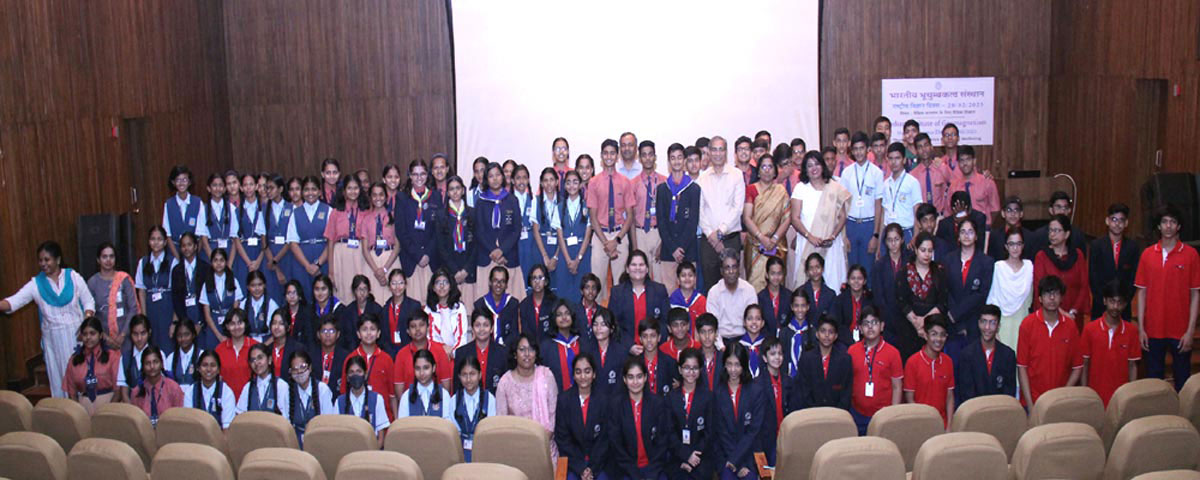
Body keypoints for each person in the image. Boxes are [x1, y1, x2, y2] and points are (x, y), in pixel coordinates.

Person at [1, 241, 96, 398]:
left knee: (81, 380)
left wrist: (86, 323)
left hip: (78, 339)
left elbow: (89, 302)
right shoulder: (36, 284)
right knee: (59, 384)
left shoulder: (73, 277)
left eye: (47, 259)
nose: (43, 264)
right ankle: (64, 418)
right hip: (53, 342)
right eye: (40, 260)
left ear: (58, 260)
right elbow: (13, 302)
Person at [1135, 205, 1200, 390]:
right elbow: (1142, 292)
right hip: (1153, 329)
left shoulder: (1191, 255)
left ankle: (1183, 418)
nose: (1168, 226)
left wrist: (1190, 331)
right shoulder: (1147, 254)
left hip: (1180, 331)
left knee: (1182, 382)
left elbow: (1195, 295)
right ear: (1158, 226)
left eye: (1173, 222)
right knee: (1153, 384)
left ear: (1179, 226)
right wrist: (1141, 328)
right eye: (1164, 222)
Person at [1017, 276, 1083, 406]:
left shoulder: (1070, 326)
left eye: (1056, 293)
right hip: (1033, 401)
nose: (1052, 298)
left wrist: (1063, 396)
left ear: (1062, 297)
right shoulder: (1027, 324)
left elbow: (1077, 367)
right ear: (1040, 298)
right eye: (1047, 293)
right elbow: (1022, 367)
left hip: (1061, 402)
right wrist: (1030, 406)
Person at [790, 150, 850, 290]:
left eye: (817, 164)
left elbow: (842, 216)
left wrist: (833, 236)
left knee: (833, 282)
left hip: (831, 244)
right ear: (805, 169)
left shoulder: (835, 187)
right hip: (808, 242)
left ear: (822, 165)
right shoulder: (800, 188)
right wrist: (810, 237)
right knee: (806, 287)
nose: (814, 168)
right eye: (809, 165)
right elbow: (795, 218)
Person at [495, 332, 559, 460]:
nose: (527, 354)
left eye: (531, 349)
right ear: (515, 354)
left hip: (545, 449)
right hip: (515, 450)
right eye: (522, 349)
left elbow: (552, 421)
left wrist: (536, 446)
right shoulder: (505, 382)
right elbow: (501, 424)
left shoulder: (546, 376)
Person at [587, 139, 636, 303]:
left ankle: (618, 322)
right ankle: (597, 322)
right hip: (600, 235)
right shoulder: (593, 183)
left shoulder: (625, 182)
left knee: (620, 284)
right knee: (596, 284)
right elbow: (593, 217)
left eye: (612, 153)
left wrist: (616, 240)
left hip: (619, 235)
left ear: (617, 156)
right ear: (601, 156)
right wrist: (606, 243)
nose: (609, 156)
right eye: (606, 153)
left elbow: (630, 216)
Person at [698, 136, 747, 293]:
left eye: (721, 149)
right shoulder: (702, 178)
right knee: (711, 288)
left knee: (732, 286)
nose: (717, 153)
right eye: (714, 149)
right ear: (709, 152)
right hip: (709, 242)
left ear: (726, 152)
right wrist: (712, 236)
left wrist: (721, 232)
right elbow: (700, 211)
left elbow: (737, 208)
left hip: (730, 239)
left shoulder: (736, 175)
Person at [1080, 281, 1140, 406]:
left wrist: (1131, 395)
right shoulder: (1090, 329)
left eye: (1120, 302)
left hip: (1121, 398)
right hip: (1095, 398)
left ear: (1125, 304)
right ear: (1104, 301)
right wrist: (1085, 394)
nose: (1115, 307)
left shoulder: (1132, 331)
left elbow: (1132, 366)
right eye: (1112, 301)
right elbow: (1085, 365)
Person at [610, 357, 670, 479]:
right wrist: (635, 475)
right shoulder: (616, 405)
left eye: (639, 376)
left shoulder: (657, 403)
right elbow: (616, 445)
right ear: (624, 380)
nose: (635, 382)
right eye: (630, 377)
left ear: (645, 378)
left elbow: (663, 442)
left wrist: (650, 474)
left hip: (655, 468)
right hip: (627, 470)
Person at [847, 305, 903, 435]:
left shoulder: (893, 353)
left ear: (882, 326)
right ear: (860, 328)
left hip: (883, 415)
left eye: (874, 323)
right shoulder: (851, 351)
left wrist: (893, 415)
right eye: (866, 324)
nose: (870, 327)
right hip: (857, 414)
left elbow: (897, 387)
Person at [943, 218, 994, 359]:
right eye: (963, 232)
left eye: (970, 232)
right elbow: (945, 290)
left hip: (974, 323)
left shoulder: (986, 262)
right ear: (958, 236)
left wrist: (957, 314)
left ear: (976, 236)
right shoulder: (948, 259)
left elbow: (981, 294)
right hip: (952, 323)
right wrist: (954, 317)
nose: (966, 235)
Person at [555, 353, 610, 480]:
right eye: (578, 372)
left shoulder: (604, 400)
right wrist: (580, 468)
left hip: (599, 464)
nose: (583, 376)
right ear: (573, 375)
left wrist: (592, 469)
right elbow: (563, 440)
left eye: (587, 371)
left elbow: (605, 439)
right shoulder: (564, 401)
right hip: (573, 464)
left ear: (594, 374)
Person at [713, 343, 763, 480]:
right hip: (725, 455)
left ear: (744, 365)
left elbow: (753, 431)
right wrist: (734, 462)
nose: (733, 370)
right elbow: (721, 431)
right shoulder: (718, 392)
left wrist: (739, 461)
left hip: (750, 455)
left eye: (737, 365)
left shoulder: (755, 391)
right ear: (724, 364)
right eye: (729, 364)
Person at [476, 162, 526, 299]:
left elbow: (516, 229)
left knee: (510, 301)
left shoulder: (512, 200)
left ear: (503, 177)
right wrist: (493, 251)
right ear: (486, 179)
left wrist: (502, 250)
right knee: (486, 303)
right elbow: (479, 230)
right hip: (487, 256)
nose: (495, 178)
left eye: (498, 174)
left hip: (508, 257)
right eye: (491, 176)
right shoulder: (481, 201)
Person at [896, 233, 950, 359]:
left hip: (933, 329)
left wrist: (924, 322)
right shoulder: (904, 272)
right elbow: (901, 301)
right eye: (923, 250)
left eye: (930, 251)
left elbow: (943, 303)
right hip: (909, 327)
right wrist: (916, 323)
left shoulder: (939, 272)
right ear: (915, 250)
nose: (927, 254)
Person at [743, 154, 792, 292]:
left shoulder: (781, 191)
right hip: (755, 245)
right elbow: (747, 218)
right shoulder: (751, 189)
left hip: (777, 245)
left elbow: (787, 218)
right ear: (758, 170)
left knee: (776, 283)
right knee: (754, 285)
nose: (767, 170)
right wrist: (761, 237)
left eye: (770, 166)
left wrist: (774, 239)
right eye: (763, 166)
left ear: (775, 170)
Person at [657, 143, 702, 293]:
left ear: (684, 160)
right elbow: (661, 221)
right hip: (668, 250)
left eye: (679, 157)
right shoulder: (662, 189)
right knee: (668, 292)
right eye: (673, 158)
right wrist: (673, 248)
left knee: (689, 291)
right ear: (669, 162)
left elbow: (693, 221)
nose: (676, 161)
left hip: (688, 249)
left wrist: (681, 247)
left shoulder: (694, 189)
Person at [395, 160, 443, 301]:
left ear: (428, 175)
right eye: (415, 174)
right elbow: (401, 231)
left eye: (422, 174)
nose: (419, 178)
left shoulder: (436, 196)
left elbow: (438, 230)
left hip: (431, 259)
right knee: (413, 305)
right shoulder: (402, 198)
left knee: (432, 303)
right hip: (411, 259)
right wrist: (418, 255)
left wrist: (427, 253)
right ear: (409, 176)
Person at [840, 132, 885, 281]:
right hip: (851, 225)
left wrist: (875, 235)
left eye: (862, 148)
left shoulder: (876, 173)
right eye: (856, 149)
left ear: (868, 149)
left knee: (868, 270)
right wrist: (844, 235)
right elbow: (843, 205)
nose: (859, 152)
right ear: (851, 151)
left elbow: (879, 205)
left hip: (868, 225)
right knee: (852, 270)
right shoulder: (846, 173)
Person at [666, 348, 716, 479]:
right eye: (687, 368)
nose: (691, 372)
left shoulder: (708, 397)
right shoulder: (671, 397)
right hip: (677, 459)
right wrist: (685, 455)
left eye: (695, 368)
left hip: (701, 459)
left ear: (700, 370)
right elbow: (669, 432)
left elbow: (709, 433)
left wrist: (694, 457)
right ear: (680, 370)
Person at [954, 305, 1017, 405]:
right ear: (979, 323)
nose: (987, 327)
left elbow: (1009, 393)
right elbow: (966, 393)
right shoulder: (966, 355)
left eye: (992, 323)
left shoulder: (1008, 355)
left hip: (1000, 412)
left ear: (998, 326)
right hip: (974, 413)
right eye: (984, 321)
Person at [1032, 215, 1091, 320]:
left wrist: (1073, 311)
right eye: (1050, 230)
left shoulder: (1078, 255)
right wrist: (1062, 313)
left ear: (1067, 234)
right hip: (1050, 314)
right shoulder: (1042, 256)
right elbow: (1039, 288)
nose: (1052, 234)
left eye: (1057, 230)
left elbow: (1084, 286)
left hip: (1074, 315)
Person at [790, 314, 852, 411]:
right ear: (817, 334)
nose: (827, 335)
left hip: (837, 415)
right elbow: (804, 390)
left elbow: (846, 393)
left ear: (836, 336)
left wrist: (837, 413)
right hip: (811, 413)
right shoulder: (806, 358)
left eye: (831, 332)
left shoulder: (845, 359)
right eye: (823, 331)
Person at [1089, 204, 1140, 320]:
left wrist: (1123, 302)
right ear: (1107, 221)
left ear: (1126, 223)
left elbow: (1133, 278)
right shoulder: (1096, 245)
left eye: (1121, 220)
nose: (1117, 224)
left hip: (1123, 306)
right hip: (1100, 304)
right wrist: (1105, 301)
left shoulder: (1133, 247)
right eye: (1114, 219)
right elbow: (1093, 277)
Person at [904, 314, 956, 425]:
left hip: (943, 424)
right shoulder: (913, 362)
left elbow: (950, 396)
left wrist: (949, 426)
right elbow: (910, 399)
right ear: (926, 335)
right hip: (920, 424)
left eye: (942, 335)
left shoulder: (948, 361)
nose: (938, 339)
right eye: (934, 334)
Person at [341, 314, 395, 420]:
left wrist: (396, 422)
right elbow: (344, 392)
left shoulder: (387, 359)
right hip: (355, 417)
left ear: (379, 333)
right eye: (364, 329)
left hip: (383, 418)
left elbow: (392, 395)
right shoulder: (350, 358)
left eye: (373, 329)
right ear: (358, 334)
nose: (369, 333)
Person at [986, 229, 1033, 350]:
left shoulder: (1029, 267)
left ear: (1023, 245)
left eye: (1018, 244)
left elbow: (1030, 300)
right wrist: (993, 329)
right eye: (1011, 244)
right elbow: (993, 298)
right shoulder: (999, 267)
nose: (1015, 248)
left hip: (1022, 320)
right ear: (1006, 246)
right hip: (1002, 323)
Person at [286, 176, 332, 301]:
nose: (310, 193)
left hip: (323, 260)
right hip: (302, 262)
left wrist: (317, 264)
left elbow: (331, 242)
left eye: (313, 189)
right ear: (302, 192)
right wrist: (307, 265)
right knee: (304, 296)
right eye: (306, 189)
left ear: (319, 192)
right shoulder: (295, 213)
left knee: (324, 296)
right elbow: (293, 243)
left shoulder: (328, 210)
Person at [322, 175, 366, 301]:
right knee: (343, 291)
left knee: (360, 289)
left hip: (359, 253)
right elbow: (330, 241)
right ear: (344, 191)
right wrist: (330, 271)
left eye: (356, 188)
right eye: (349, 188)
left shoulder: (366, 211)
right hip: (340, 253)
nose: (353, 191)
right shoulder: (335, 212)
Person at [64, 317, 120, 415]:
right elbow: (71, 393)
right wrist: (78, 414)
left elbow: (118, 390)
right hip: (83, 410)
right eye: (85, 334)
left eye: (92, 333)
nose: (88, 337)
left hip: (110, 407)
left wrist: (108, 412)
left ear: (101, 335)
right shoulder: (74, 360)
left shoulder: (112, 357)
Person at [609, 250, 671, 339]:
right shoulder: (617, 292)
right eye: (634, 265)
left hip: (654, 347)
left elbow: (665, 322)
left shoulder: (659, 290)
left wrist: (652, 342)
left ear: (647, 269)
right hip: (626, 348)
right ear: (627, 269)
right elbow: (613, 324)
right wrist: (629, 346)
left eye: (641, 265)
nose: (637, 268)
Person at [393, 311, 453, 400]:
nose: (417, 329)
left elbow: (446, 385)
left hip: (436, 405)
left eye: (421, 325)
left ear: (428, 328)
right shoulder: (401, 355)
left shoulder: (440, 351)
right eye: (413, 326)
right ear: (408, 331)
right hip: (411, 406)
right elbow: (399, 391)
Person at [88, 243, 138, 350]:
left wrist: (123, 335)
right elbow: (91, 314)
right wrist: (105, 337)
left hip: (126, 336)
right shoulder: (92, 282)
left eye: (111, 256)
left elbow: (133, 308)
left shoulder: (124, 279)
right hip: (102, 338)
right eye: (104, 257)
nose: (108, 260)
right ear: (98, 260)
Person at [436, 176, 477, 303]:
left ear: (463, 190)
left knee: (469, 310)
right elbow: (440, 246)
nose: (455, 192)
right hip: (450, 268)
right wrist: (454, 270)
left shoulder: (472, 213)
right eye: (452, 189)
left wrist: (466, 270)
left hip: (468, 268)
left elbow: (476, 244)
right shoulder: (441, 215)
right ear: (447, 193)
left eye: (458, 188)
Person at [136, 226, 178, 351]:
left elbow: (176, 294)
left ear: (165, 242)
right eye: (153, 239)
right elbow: (141, 291)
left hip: (167, 309)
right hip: (150, 310)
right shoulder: (143, 262)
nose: (156, 242)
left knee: (168, 346)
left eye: (159, 239)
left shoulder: (172, 262)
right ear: (149, 242)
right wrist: (144, 319)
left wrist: (174, 322)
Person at [281, 350, 335, 445]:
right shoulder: (288, 391)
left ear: (310, 368)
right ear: (290, 372)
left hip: (320, 441)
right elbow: (286, 422)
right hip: (295, 442)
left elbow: (329, 422)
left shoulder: (322, 390)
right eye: (294, 369)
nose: (299, 372)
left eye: (302, 367)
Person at [335, 356, 390, 447]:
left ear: (365, 375)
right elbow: (337, 436)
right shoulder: (339, 402)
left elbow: (381, 438)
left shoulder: (377, 399)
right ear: (347, 377)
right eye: (351, 372)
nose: (355, 375)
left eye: (359, 371)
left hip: (371, 454)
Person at [556, 171, 593, 305]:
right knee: (564, 291)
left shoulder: (587, 206)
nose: (572, 185)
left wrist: (578, 259)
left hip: (581, 253)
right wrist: (568, 260)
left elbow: (588, 235)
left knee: (581, 291)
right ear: (564, 185)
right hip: (565, 254)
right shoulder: (559, 207)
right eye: (568, 182)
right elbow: (560, 236)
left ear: (580, 184)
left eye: (575, 182)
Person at [706, 249, 757, 347]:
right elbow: (713, 326)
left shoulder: (749, 290)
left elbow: (753, 323)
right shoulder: (714, 292)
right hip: (721, 342)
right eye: (727, 268)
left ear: (739, 269)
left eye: (734, 267)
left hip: (744, 340)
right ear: (721, 271)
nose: (731, 271)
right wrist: (721, 347)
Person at [632, 141, 666, 284]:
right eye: (644, 155)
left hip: (659, 232)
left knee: (660, 280)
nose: (647, 158)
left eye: (650, 154)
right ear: (640, 158)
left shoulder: (664, 182)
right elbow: (631, 217)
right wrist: (634, 246)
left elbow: (669, 215)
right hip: (641, 233)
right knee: (641, 279)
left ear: (655, 157)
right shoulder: (633, 183)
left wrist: (664, 243)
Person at [452, 355, 497, 461]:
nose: (468, 379)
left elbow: (491, 429)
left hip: (484, 449)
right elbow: (453, 429)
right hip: (460, 451)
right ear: (459, 376)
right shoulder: (454, 400)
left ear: (480, 375)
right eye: (464, 375)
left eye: (472, 374)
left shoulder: (489, 399)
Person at [361, 182, 400, 302]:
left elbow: (398, 246)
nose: (378, 198)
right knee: (374, 298)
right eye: (374, 195)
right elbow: (364, 249)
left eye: (381, 194)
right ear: (370, 197)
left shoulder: (394, 217)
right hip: (372, 263)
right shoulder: (366, 219)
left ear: (386, 196)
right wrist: (377, 271)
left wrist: (384, 270)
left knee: (393, 297)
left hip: (390, 260)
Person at [199, 248, 244, 351]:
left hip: (231, 325)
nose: (218, 263)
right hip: (213, 326)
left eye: (221, 260)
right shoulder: (207, 283)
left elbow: (236, 308)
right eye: (215, 260)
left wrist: (231, 329)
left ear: (226, 262)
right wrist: (218, 335)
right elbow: (207, 315)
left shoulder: (233, 280)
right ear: (211, 263)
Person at [455, 309, 509, 394]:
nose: (481, 329)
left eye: (486, 325)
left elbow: (507, 387)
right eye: (477, 325)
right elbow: (457, 388)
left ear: (491, 328)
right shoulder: (461, 353)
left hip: (496, 403)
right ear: (472, 328)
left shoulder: (503, 353)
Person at [395, 349, 455, 423]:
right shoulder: (406, 396)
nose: (422, 373)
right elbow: (402, 427)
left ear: (433, 368)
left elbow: (448, 426)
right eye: (418, 368)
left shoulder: (444, 395)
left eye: (426, 368)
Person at [755, 337, 790, 466]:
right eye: (772, 354)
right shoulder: (757, 385)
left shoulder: (789, 381)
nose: (777, 357)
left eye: (780, 353)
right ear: (764, 358)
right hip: (766, 439)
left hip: (785, 436)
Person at [233, 173, 267, 300]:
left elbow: (266, 238)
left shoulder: (265, 208)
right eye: (245, 185)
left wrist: (258, 260)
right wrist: (248, 262)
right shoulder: (237, 210)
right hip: (244, 255)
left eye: (251, 184)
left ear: (257, 186)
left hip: (261, 252)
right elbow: (236, 239)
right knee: (245, 287)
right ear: (241, 188)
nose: (248, 188)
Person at [129, 346, 183, 426]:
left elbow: (180, 418)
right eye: (147, 363)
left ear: (161, 364)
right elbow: (135, 423)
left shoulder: (173, 388)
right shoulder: (136, 392)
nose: (152, 366)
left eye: (155, 362)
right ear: (143, 367)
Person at [182, 350, 237, 429]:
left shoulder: (226, 392)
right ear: (198, 368)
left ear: (218, 370)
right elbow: (188, 426)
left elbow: (227, 428)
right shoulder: (190, 392)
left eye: (213, 365)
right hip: (195, 439)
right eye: (204, 365)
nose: (208, 369)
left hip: (220, 439)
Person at [581, 308, 628, 398]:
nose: (598, 328)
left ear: (611, 328)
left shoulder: (621, 351)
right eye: (595, 324)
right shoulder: (586, 350)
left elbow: (622, 383)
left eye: (603, 324)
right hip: (593, 400)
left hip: (616, 400)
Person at [947, 146, 999, 227]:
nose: (965, 164)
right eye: (962, 160)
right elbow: (949, 212)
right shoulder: (953, 187)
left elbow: (995, 210)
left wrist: (986, 225)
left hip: (984, 228)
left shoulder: (987, 182)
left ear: (974, 161)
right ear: (958, 163)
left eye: (968, 159)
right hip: (962, 232)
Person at [873, 224, 907, 346]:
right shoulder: (879, 265)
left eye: (896, 239)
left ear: (902, 240)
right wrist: (887, 318)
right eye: (889, 240)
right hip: (888, 321)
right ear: (885, 242)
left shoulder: (910, 262)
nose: (893, 243)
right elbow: (878, 297)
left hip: (908, 318)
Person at [880, 143, 922, 243]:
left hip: (906, 232)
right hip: (888, 233)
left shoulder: (912, 182)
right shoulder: (885, 184)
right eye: (890, 158)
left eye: (897, 158)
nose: (893, 162)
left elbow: (917, 212)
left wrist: (915, 237)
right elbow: (883, 214)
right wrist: (879, 245)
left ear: (904, 160)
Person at [263, 174, 294, 305]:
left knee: (290, 292)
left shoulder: (292, 207)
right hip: (270, 256)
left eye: (271, 188)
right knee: (273, 294)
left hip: (287, 255)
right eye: (266, 188)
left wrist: (277, 260)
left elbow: (291, 239)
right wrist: (273, 263)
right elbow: (263, 240)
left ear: (281, 189)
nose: (268, 191)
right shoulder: (264, 209)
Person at [1028, 191, 1089, 256]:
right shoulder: (1039, 235)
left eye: (1065, 208)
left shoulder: (1077, 235)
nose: (1062, 211)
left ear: (1069, 211)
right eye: (1058, 207)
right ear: (1051, 210)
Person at [425, 269, 470, 356]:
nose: (442, 286)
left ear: (450, 286)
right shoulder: (428, 310)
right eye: (438, 283)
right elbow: (429, 337)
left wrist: (452, 352)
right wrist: (441, 350)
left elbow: (462, 338)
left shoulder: (459, 308)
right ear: (433, 288)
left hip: (456, 356)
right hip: (436, 356)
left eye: (445, 282)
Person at [214, 308, 256, 398]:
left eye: (240, 323)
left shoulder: (255, 347)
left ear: (245, 324)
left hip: (251, 399)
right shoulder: (219, 349)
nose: (236, 327)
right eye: (232, 324)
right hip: (226, 400)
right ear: (227, 326)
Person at [541, 299, 582, 391]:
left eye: (567, 313)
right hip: (556, 398)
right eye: (559, 315)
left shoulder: (582, 343)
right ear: (554, 319)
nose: (564, 317)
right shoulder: (546, 347)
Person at [163, 166, 201, 260]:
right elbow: (167, 235)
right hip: (175, 253)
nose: (181, 183)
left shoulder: (197, 202)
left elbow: (201, 234)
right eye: (178, 180)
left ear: (189, 182)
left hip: (194, 253)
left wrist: (194, 257)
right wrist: (177, 257)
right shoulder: (168, 204)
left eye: (184, 179)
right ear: (173, 182)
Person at [378, 270, 422, 355]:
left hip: (410, 351)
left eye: (401, 283)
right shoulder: (385, 309)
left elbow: (418, 332)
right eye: (394, 283)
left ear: (405, 285)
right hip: (389, 352)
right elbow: (383, 337)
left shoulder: (414, 306)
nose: (397, 287)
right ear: (389, 286)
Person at [473, 267, 518, 347]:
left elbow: (514, 333)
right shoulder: (480, 304)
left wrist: (503, 348)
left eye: (502, 281)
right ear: (490, 282)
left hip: (507, 349)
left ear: (506, 284)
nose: (499, 284)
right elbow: (479, 332)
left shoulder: (513, 304)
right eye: (495, 280)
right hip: (487, 348)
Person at [635, 318, 679, 397]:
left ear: (659, 338)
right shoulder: (634, 363)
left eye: (653, 336)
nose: (649, 340)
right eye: (645, 336)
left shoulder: (670, 362)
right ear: (640, 339)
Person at [909, 133, 952, 216]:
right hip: (922, 219)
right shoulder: (913, 175)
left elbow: (953, 187)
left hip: (941, 216)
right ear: (916, 151)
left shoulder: (942, 168)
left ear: (931, 147)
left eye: (926, 145)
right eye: (920, 147)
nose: (924, 149)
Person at [236, 343, 286, 414]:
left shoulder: (281, 386)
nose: (256, 363)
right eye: (253, 360)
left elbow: (285, 420)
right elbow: (240, 416)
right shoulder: (248, 387)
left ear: (269, 360)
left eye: (260, 358)